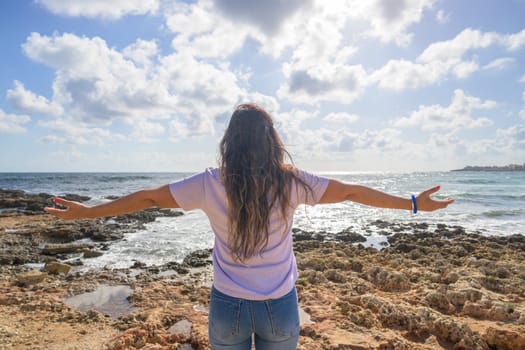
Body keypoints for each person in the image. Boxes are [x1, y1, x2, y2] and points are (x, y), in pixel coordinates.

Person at [45, 103, 454, 349]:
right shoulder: (290, 180)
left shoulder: (209, 182)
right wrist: (413, 204)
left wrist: (88, 212)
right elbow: (349, 192)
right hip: (280, 305)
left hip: (227, 306)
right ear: (270, 138)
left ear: (230, 140)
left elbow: (149, 197)